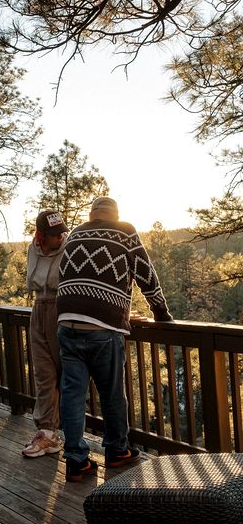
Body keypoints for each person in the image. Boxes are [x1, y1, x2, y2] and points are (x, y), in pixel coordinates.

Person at [57, 196, 173, 482]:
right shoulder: (125, 231)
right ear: (115, 214)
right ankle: (117, 450)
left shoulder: (76, 233)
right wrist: (161, 312)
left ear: (93, 214)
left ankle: (75, 461)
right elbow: (146, 274)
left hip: (66, 322)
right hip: (102, 328)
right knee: (111, 393)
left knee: (72, 394)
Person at [22, 209, 68, 458]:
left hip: (61, 308)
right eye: (53, 234)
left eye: (61, 231)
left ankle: (60, 432)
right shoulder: (33, 249)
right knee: (43, 371)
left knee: (64, 372)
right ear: (40, 235)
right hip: (38, 308)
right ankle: (47, 433)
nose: (59, 236)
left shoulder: (69, 248)